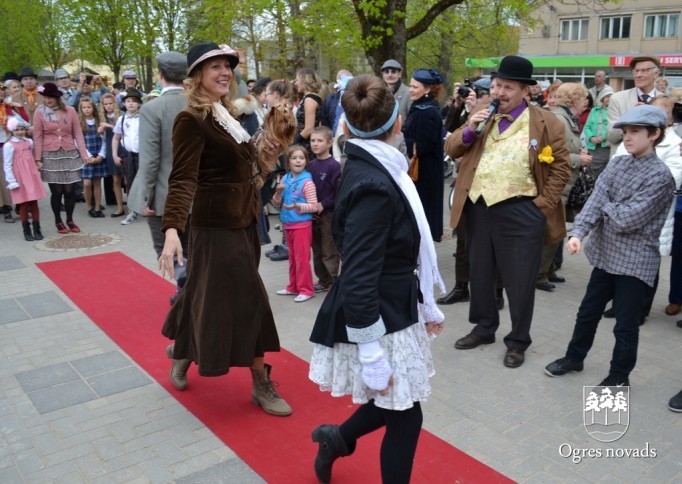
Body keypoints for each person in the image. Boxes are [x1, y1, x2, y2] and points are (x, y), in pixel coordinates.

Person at [309, 74, 445, 484]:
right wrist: (370, 351)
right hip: (378, 311)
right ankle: (338, 438)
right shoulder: (374, 181)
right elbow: (358, 272)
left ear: (345, 126)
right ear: (398, 123)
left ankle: (336, 438)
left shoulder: (375, 164)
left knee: (397, 401)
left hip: (393, 301)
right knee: (405, 414)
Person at [158, 42, 291, 417]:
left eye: (227, 66)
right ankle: (260, 381)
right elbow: (183, 178)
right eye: (214, 66)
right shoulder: (191, 120)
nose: (224, 72)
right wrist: (172, 229)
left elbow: (244, 169)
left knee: (202, 292)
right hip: (214, 226)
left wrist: (267, 155)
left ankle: (183, 350)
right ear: (196, 75)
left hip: (244, 221)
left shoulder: (227, 113)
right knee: (250, 299)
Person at [445, 55, 570, 368]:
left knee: (520, 280)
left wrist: (541, 206)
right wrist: (470, 128)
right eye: (497, 85)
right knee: (480, 273)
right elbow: (452, 148)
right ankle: (484, 328)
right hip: (479, 207)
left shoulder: (546, 122)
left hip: (521, 210)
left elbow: (561, 167)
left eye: (507, 87)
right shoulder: (482, 113)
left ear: (525, 91)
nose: (499, 92)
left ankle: (517, 340)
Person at [544, 105, 675, 387]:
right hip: (605, 255)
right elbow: (595, 200)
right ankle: (574, 357)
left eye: (635, 131)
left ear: (654, 134)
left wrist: (605, 207)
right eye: (625, 131)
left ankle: (619, 375)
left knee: (625, 325)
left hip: (635, 261)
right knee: (587, 313)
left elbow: (629, 219)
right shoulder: (618, 163)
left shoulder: (661, 176)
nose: (627, 137)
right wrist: (578, 233)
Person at [127, 51, 189, 304]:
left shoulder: (152, 108)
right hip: (196, 193)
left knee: (167, 248)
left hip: (164, 195)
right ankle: (193, 292)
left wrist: (145, 197)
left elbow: (150, 159)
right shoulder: (200, 104)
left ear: (160, 74)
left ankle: (186, 294)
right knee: (193, 247)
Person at [536, 83, 591, 291]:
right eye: (583, 98)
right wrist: (578, 158)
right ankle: (539, 274)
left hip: (564, 183)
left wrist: (578, 152)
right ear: (574, 99)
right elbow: (548, 154)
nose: (585, 102)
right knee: (551, 228)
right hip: (556, 183)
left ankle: (548, 270)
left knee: (556, 228)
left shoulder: (567, 118)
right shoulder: (559, 119)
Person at [34, 82, 89, 234]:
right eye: (45, 97)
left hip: (69, 153)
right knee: (57, 191)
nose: (47, 100)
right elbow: (37, 136)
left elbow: (78, 133)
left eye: (50, 97)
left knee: (70, 190)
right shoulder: (40, 112)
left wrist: (84, 154)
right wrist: (37, 159)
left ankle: (70, 219)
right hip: (50, 154)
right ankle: (58, 220)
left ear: (57, 97)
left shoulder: (70, 110)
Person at [402, 68, 445, 242]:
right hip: (423, 172)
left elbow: (422, 147)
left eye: (415, 87)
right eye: (411, 86)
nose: (411, 90)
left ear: (427, 89)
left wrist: (400, 139)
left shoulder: (426, 112)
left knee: (423, 217)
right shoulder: (422, 107)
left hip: (425, 174)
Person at [272, 144, 318, 303]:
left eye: (301, 158)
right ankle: (293, 286)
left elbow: (314, 206)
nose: (298, 161)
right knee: (292, 258)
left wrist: (299, 206)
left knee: (302, 259)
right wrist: (278, 192)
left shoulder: (308, 183)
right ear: (289, 161)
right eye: (294, 158)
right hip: (288, 225)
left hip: (302, 226)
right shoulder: (285, 178)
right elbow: (277, 203)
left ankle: (306, 290)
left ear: (306, 161)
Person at [607, 55, 662, 155]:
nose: (638, 75)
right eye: (636, 71)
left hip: (658, 158)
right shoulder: (618, 98)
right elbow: (611, 136)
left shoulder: (665, 101)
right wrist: (630, 117)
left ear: (656, 73)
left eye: (644, 70)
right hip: (624, 159)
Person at [308, 126, 341, 292]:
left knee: (329, 249)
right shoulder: (310, 165)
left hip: (328, 214)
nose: (315, 144)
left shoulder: (334, 166)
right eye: (312, 140)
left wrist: (324, 204)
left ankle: (333, 281)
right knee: (317, 249)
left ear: (329, 143)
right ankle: (323, 280)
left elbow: (338, 192)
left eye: (319, 140)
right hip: (312, 214)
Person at [3, 117, 46, 240]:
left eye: (22, 129)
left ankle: (37, 229)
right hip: (20, 177)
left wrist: (37, 165)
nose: (20, 132)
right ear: (11, 130)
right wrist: (11, 181)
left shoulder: (29, 142)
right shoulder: (9, 145)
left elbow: (32, 157)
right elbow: (7, 164)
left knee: (34, 202)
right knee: (24, 204)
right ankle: (26, 231)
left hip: (31, 176)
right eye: (16, 130)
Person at [112, 88, 142, 225]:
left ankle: (147, 207)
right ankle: (132, 211)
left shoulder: (144, 117)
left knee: (146, 182)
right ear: (124, 103)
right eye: (128, 101)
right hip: (128, 155)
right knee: (130, 182)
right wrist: (114, 154)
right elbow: (116, 137)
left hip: (143, 155)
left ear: (139, 103)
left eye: (134, 101)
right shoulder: (122, 119)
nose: (131, 103)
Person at [0, 83, 28, 223]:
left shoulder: (9, 108)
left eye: (2, 90)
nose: (1, 92)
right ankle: (6, 208)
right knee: (2, 179)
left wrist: (20, 108)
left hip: (12, 145)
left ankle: (19, 205)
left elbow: (25, 123)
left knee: (17, 175)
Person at [78, 97, 108, 217]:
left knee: (97, 182)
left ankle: (97, 207)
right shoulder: (80, 123)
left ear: (93, 108)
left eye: (89, 107)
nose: (86, 109)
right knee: (87, 183)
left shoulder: (98, 122)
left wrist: (101, 155)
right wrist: (88, 156)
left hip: (98, 155)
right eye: (84, 107)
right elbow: (78, 142)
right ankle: (89, 206)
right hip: (86, 156)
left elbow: (104, 140)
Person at [99, 93, 124, 215]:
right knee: (115, 179)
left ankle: (133, 207)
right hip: (110, 149)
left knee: (128, 180)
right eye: (106, 104)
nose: (108, 106)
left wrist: (108, 125)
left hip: (123, 148)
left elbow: (121, 131)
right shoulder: (101, 118)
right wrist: (100, 130)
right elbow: (101, 138)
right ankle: (119, 207)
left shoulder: (121, 115)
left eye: (110, 103)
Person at [583, 91, 613, 179]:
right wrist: (591, 137)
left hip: (605, 146)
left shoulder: (613, 111)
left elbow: (613, 127)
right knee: (591, 171)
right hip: (593, 146)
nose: (609, 99)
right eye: (607, 96)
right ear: (602, 98)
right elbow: (587, 126)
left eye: (611, 96)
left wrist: (603, 137)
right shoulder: (594, 110)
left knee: (603, 172)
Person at [293, 67, 322, 155]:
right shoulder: (309, 97)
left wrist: (294, 143)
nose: (295, 83)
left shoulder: (310, 99)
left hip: (307, 145)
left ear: (304, 80)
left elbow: (309, 129)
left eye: (297, 80)